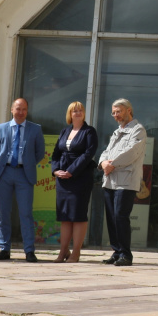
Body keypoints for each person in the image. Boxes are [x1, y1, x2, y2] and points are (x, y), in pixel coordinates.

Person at [0, 98, 46, 262]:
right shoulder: (1, 128)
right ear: (11, 109)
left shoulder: (35, 129)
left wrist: (26, 164)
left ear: (27, 111)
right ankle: (4, 248)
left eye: (24, 109)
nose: (20, 112)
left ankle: (29, 250)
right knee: (3, 212)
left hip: (24, 174)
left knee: (26, 213)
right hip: (4, 173)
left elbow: (40, 153)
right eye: (18, 109)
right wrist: (5, 164)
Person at [98, 99, 147, 267]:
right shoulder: (116, 132)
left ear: (129, 110)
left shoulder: (138, 130)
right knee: (111, 218)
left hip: (126, 182)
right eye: (113, 112)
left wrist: (112, 164)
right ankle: (117, 251)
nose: (115, 115)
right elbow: (106, 151)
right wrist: (103, 163)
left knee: (120, 216)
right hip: (110, 180)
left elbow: (132, 152)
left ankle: (126, 254)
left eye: (118, 111)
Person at [51, 101, 98, 263]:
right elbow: (56, 153)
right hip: (63, 179)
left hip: (80, 178)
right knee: (65, 216)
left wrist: (71, 171)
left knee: (78, 216)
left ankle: (76, 252)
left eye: (80, 110)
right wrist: (56, 171)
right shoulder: (65, 131)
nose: (77, 113)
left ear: (84, 113)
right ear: (69, 114)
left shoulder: (89, 132)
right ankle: (63, 250)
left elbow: (87, 154)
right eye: (74, 111)